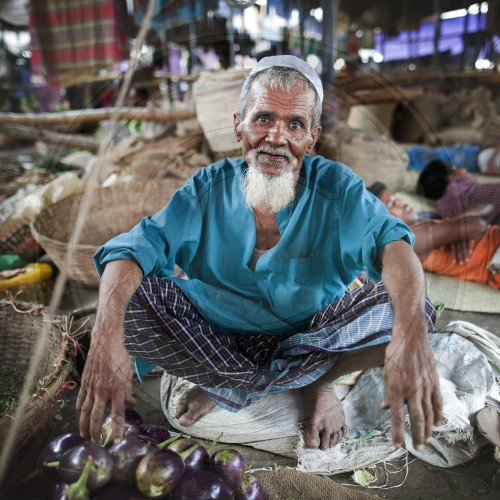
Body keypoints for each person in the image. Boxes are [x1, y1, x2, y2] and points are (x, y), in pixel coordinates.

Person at [77, 55, 442, 452]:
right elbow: (133, 249)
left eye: (295, 125)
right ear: (239, 126)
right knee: (127, 300)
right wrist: (105, 338)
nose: (277, 138)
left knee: (413, 309)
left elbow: (395, 246)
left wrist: (409, 338)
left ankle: (309, 383)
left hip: (315, 336)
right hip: (221, 337)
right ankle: (246, 381)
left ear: (312, 136)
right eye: (263, 118)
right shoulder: (206, 188)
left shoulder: (338, 189)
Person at [368, 182, 500, 289]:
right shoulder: (411, 239)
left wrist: (456, 229)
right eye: (392, 204)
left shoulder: (422, 220)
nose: (402, 203)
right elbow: (478, 226)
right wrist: (459, 227)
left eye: (396, 198)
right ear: (384, 221)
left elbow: (485, 208)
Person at [416, 159, 500, 225]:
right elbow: (469, 177)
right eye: (453, 168)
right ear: (449, 176)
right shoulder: (458, 182)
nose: (463, 169)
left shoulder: (442, 205)